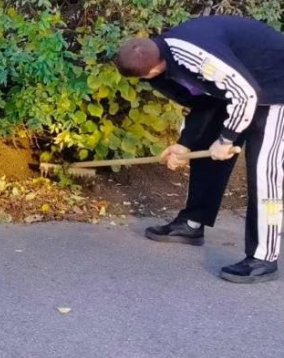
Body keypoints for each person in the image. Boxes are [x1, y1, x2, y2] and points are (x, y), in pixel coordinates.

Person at [115, 15, 284, 284]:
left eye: (145, 77)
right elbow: (205, 103)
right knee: (207, 145)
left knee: (265, 172)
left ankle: (264, 257)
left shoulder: (196, 56)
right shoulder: (165, 55)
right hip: (243, 88)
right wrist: (185, 144)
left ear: (153, 69)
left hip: (276, 87)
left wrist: (226, 139)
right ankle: (193, 223)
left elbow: (246, 94)